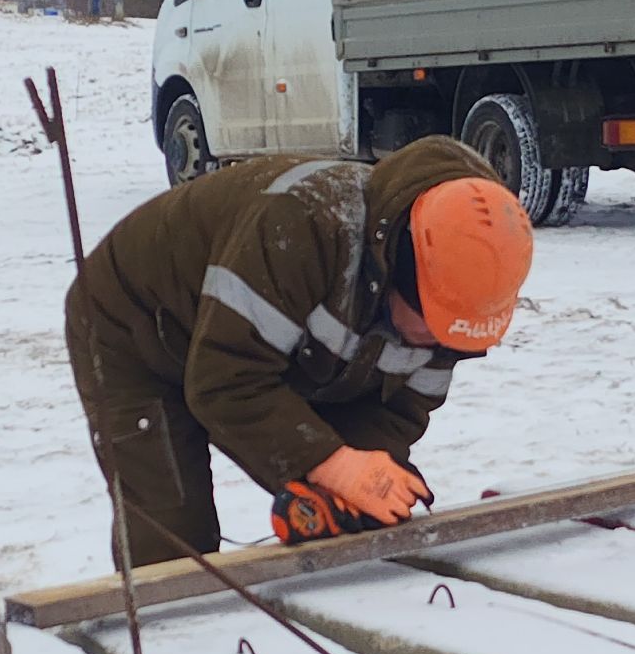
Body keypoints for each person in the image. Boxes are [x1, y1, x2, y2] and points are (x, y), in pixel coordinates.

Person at [64, 136, 534, 568]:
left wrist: (363, 475)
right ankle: (160, 641)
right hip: (134, 325)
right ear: (397, 274)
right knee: (174, 531)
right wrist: (331, 462)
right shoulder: (303, 228)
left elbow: (397, 411)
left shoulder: (455, 295)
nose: (440, 347)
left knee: (343, 513)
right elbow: (225, 384)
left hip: (262, 349)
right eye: (434, 327)